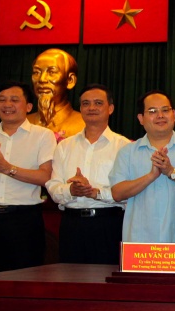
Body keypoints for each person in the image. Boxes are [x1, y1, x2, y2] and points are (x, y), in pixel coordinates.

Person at [45, 84, 131, 264]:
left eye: (98, 103)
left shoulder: (124, 147)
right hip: (71, 224)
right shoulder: (64, 146)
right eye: (85, 103)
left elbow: (128, 193)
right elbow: (53, 186)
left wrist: (94, 192)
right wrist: (71, 190)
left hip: (108, 223)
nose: (91, 108)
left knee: (106, 277)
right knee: (70, 278)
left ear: (111, 108)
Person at [0, 80, 56, 274]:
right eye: (1, 100)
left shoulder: (43, 136)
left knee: (25, 277)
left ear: (29, 107)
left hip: (24, 219)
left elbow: (46, 177)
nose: (7, 104)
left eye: (14, 100)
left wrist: (7, 168)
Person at [109, 90, 175, 244]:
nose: (160, 115)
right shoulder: (128, 152)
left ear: (174, 115)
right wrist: (151, 176)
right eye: (152, 111)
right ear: (141, 118)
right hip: (140, 242)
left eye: (165, 110)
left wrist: (171, 171)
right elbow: (117, 193)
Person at [27, 48, 85, 138]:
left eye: (52, 72)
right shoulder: (23, 123)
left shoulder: (84, 125)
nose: (42, 79)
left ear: (70, 80)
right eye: (36, 72)